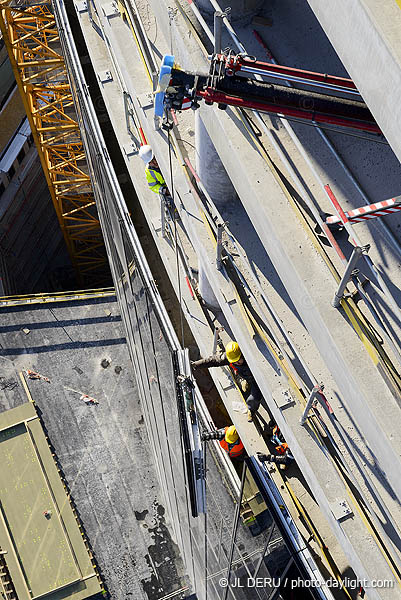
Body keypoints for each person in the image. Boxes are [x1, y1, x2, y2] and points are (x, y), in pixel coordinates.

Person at [191, 341, 261, 422]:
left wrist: (251, 408)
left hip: (255, 378)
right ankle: (243, 381)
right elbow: (213, 360)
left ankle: (251, 411)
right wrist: (196, 365)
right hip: (244, 375)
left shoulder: (251, 361)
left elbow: (256, 394)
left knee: (255, 394)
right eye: (234, 361)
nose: (236, 363)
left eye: (238, 360)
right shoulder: (230, 357)